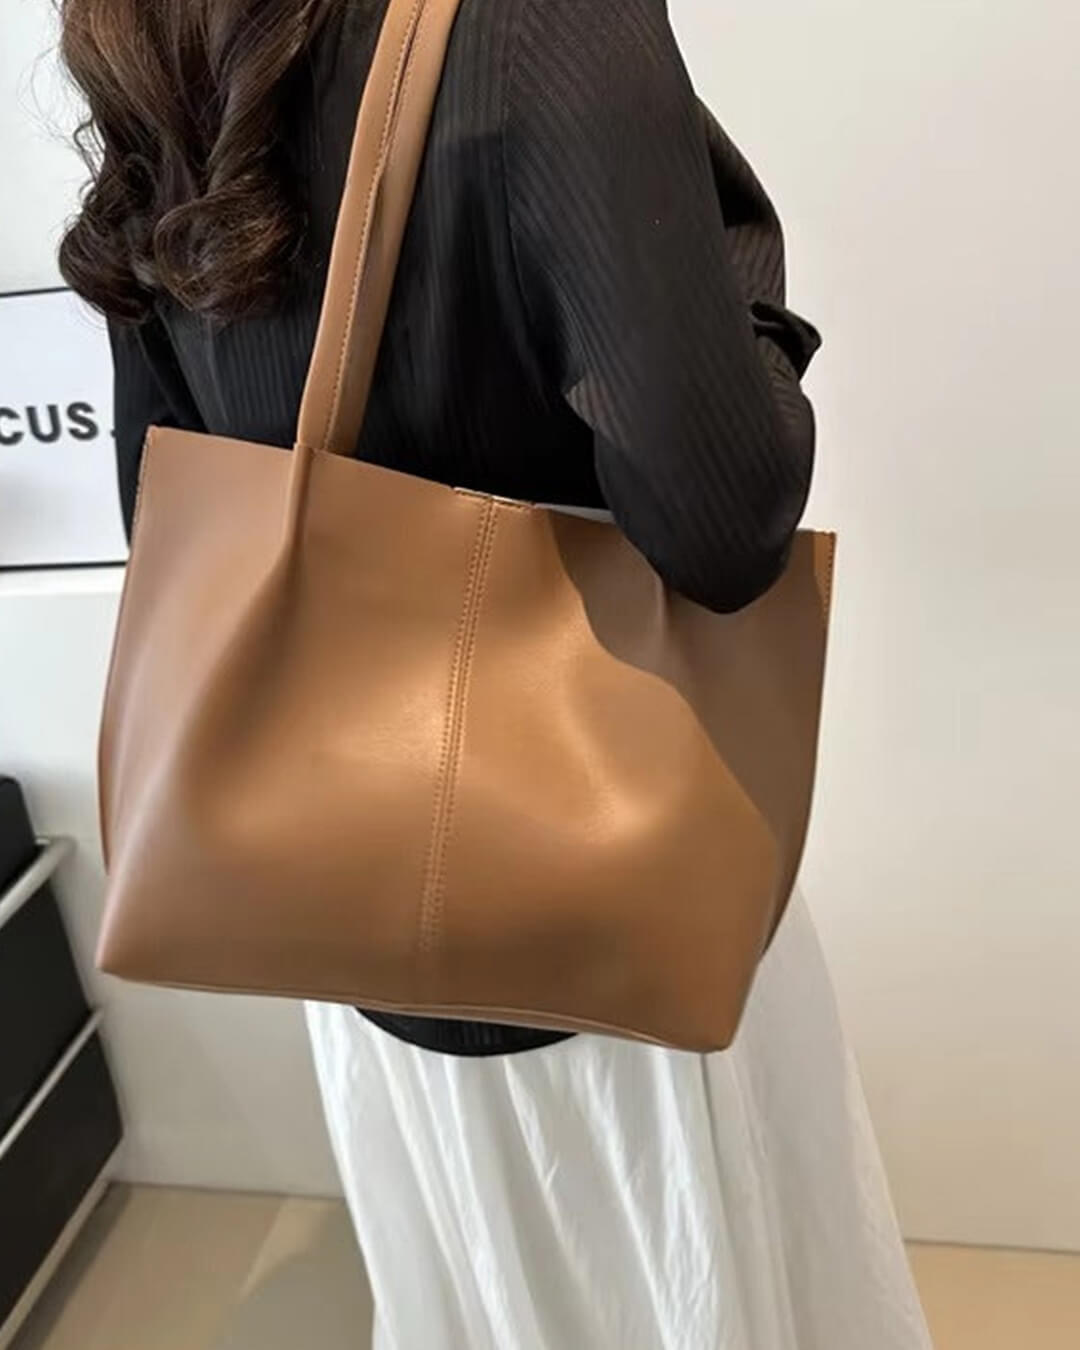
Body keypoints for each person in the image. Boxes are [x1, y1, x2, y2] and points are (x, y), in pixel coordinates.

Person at [60, 0, 933, 1345]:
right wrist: (744, 298)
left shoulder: (151, 29)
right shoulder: (548, 23)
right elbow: (721, 521)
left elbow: (165, 503)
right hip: (621, 931)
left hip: (345, 918)